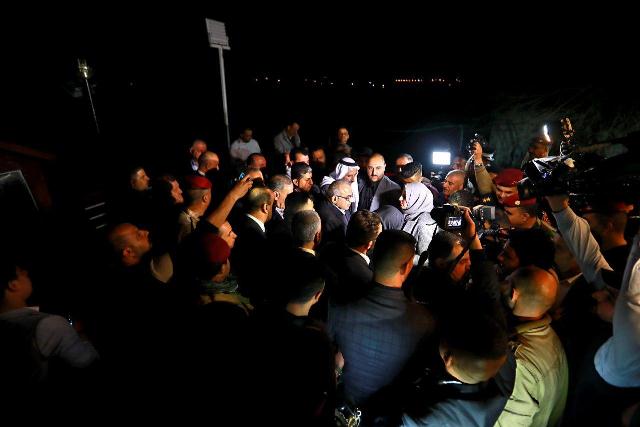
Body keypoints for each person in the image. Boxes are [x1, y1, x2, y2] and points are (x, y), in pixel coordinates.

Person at [328, 230, 434, 406]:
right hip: (390, 411)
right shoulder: (424, 322)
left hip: (344, 406)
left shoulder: (340, 305)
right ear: (407, 266)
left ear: (373, 257)